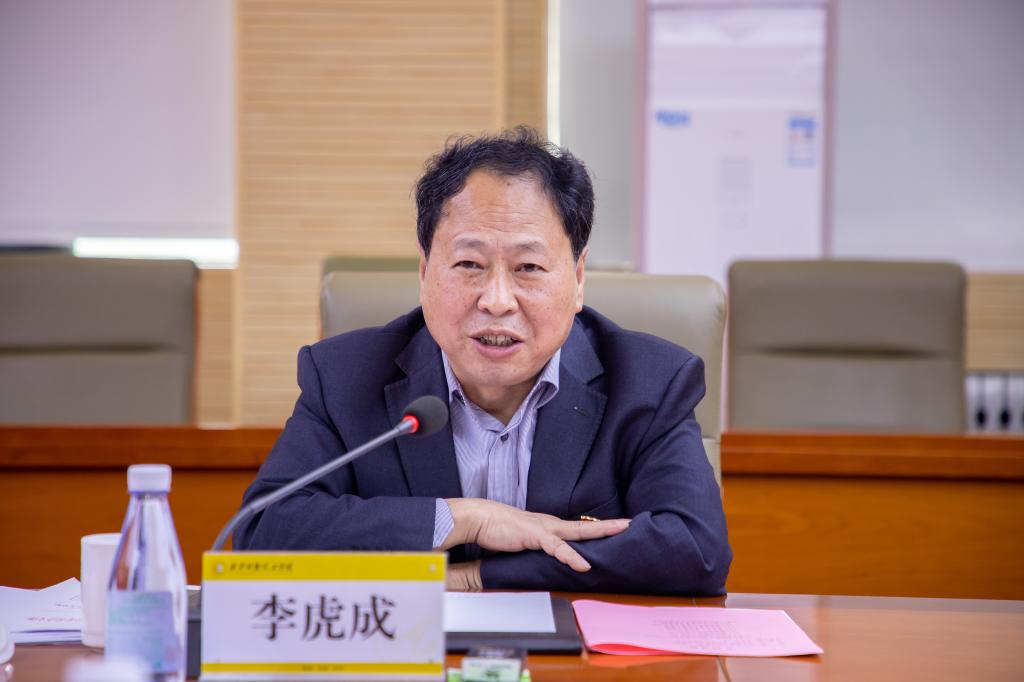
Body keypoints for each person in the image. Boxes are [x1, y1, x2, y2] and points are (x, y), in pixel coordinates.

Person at [235, 128, 731, 595]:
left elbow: (695, 550)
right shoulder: (345, 377)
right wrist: (462, 519)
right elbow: (262, 532)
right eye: (469, 264)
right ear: (425, 272)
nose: (497, 301)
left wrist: (477, 576)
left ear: (578, 279)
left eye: (529, 267)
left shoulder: (649, 382)